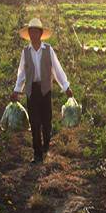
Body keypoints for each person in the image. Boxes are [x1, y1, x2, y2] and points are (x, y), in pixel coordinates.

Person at [10, 18, 73, 164]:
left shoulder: (48, 50)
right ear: (29, 34)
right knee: (35, 122)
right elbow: (22, 73)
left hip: (45, 90)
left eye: (36, 32)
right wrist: (16, 90)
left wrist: (66, 87)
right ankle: (37, 154)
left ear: (40, 34)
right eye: (31, 32)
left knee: (47, 122)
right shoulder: (25, 52)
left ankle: (46, 146)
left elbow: (57, 70)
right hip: (32, 90)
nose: (33, 35)